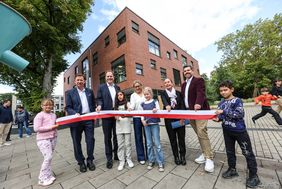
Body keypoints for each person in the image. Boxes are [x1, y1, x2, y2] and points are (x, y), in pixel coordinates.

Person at [213, 80, 260, 188]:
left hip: (240, 132)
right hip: (227, 131)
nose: (223, 92)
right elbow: (222, 116)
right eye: (221, 91)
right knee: (230, 152)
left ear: (231, 89)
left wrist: (223, 113)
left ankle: (254, 176)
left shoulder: (237, 101)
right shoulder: (221, 103)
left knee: (247, 153)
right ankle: (232, 169)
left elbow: (239, 114)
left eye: (225, 90)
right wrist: (218, 119)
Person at [181, 65, 214, 173]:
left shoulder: (199, 80)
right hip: (190, 113)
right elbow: (183, 98)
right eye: (185, 71)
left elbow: (201, 92)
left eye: (188, 70)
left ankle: (209, 158)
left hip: (200, 111)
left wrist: (198, 103)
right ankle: (204, 153)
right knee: (199, 133)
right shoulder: (183, 84)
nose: (187, 72)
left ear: (192, 71)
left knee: (201, 132)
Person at [65, 74, 96, 173]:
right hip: (76, 120)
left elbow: (93, 104)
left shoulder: (90, 91)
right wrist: (74, 113)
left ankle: (90, 160)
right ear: (75, 82)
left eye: (81, 80)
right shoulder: (70, 93)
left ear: (84, 81)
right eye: (77, 80)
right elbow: (68, 107)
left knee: (90, 140)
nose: (79, 81)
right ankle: (81, 162)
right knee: (76, 141)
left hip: (88, 119)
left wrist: (96, 110)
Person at [96, 70, 120, 169]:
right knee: (107, 137)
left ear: (113, 77)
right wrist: (100, 106)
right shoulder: (101, 87)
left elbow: (120, 99)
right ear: (105, 78)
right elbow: (99, 99)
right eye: (108, 76)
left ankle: (116, 155)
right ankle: (109, 158)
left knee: (116, 136)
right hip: (106, 116)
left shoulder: (117, 87)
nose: (109, 77)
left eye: (111, 76)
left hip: (116, 115)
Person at [33, 99, 59, 186]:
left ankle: (48, 175)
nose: (48, 106)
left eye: (50, 105)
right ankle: (41, 178)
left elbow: (55, 125)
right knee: (48, 157)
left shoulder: (54, 115)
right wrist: (52, 127)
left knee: (49, 158)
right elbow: (36, 129)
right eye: (46, 105)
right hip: (43, 140)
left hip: (53, 138)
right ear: (42, 106)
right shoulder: (39, 115)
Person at [161, 78, 186, 165]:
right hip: (169, 120)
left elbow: (182, 105)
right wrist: (167, 105)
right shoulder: (163, 93)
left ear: (172, 83)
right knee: (173, 139)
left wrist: (183, 118)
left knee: (181, 138)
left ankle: (183, 156)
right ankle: (176, 156)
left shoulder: (178, 93)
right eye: (165, 83)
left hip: (180, 119)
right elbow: (164, 100)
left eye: (168, 82)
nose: (167, 84)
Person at [141, 87, 165, 172]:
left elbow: (158, 110)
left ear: (151, 94)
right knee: (149, 144)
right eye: (145, 94)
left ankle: (160, 162)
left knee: (157, 144)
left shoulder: (155, 102)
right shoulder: (142, 103)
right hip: (146, 125)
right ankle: (151, 161)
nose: (146, 96)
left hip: (154, 124)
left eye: (147, 94)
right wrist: (143, 120)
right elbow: (142, 114)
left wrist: (156, 110)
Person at [114, 91, 134, 171]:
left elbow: (131, 112)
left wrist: (128, 110)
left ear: (123, 95)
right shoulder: (115, 106)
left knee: (128, 144)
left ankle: (129, 159)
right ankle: (121, 161)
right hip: (119, 127)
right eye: (118, 95)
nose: (119, 96)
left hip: (127, 127)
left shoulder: (128, 103)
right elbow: (115, 116)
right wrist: (117, 117)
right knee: (120, 145)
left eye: (121, 94)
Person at [128, 80, 147, 165]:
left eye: (138, 86)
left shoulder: (145, 93)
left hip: (146, 117)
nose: (137, 87)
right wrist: (130, 108)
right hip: (137, 118)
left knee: (148, 137)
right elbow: (132, 105)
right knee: (138, 137)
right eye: (136, 86)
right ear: (134, 88)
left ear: (141, 85)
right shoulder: (133, 95)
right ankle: (141, 157)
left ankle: (150, 156)